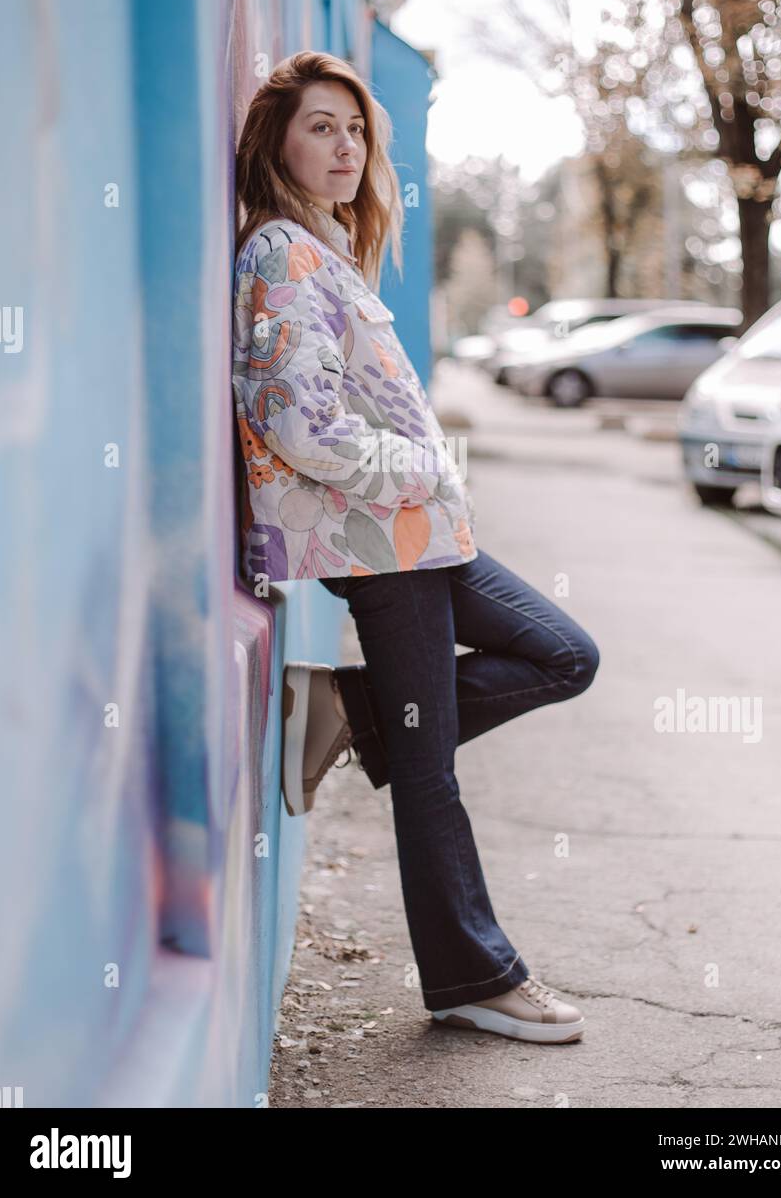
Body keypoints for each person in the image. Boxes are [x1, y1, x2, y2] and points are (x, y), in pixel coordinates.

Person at [233, 51, 600, 1044]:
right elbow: (296, 422)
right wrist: (422, 470)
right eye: (319, 126)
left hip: (423, 537)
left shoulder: (327, 252)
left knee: (564, 654)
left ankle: (349, 706)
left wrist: (429, 486)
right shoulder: (278, 255)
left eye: (353, 129)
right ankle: (471, 976)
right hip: (381, 543)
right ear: (275, 142)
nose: (344, 145)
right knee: (430, 769)